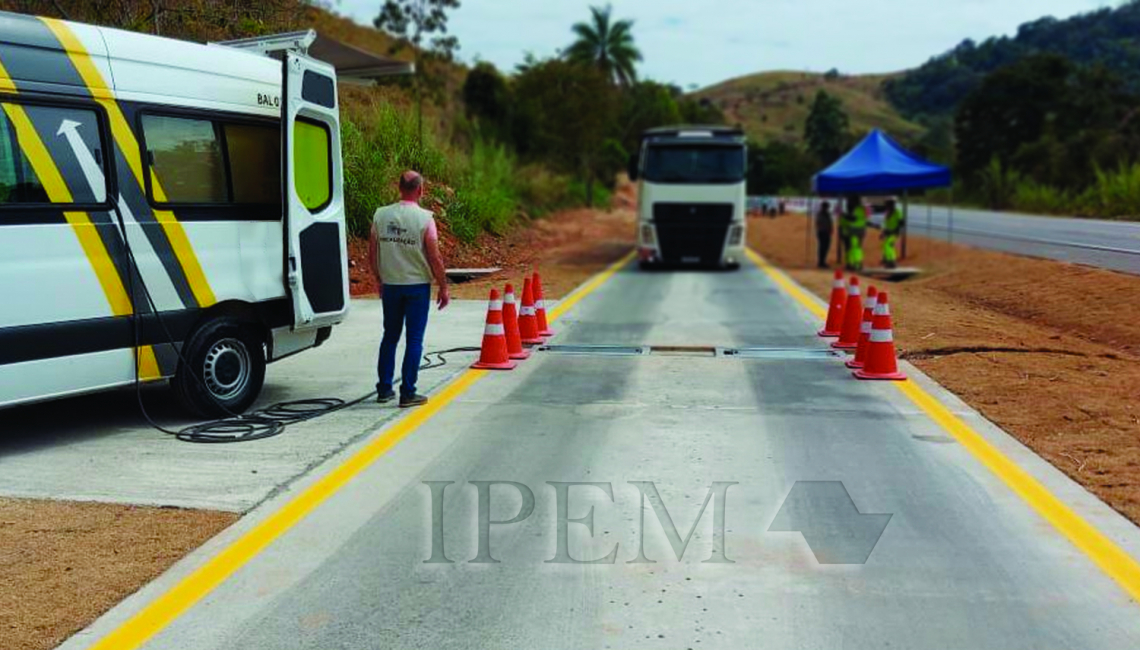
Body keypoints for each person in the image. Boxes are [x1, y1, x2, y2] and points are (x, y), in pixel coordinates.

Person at [369, 171, 450, 408]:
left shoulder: (381, 216)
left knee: (390, 337)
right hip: (416, 287)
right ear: (420, 190)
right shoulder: (425, 219)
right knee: (414, 340)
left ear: (399, 187)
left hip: (391, 285)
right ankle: (408, 392)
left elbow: (372, 253)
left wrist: (379, 278)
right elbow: (434, 256)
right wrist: (443, 286)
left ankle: (384, 389)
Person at [841, 194, 867, 271]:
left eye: (850, 201)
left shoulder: (856, 209)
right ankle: (857, 262)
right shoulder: (862, 208)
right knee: (858, 247)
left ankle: (855, 263)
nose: (848, 203)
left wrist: (844, 215)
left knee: (854, 247)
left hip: (855, 230)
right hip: (861, 230)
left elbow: (853, 219)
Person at [881, 198, 905, 269]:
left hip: (894, 232)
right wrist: (883, 232)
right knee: (886, 246)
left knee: (888, 245)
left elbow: (901, 222)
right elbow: (885, 224)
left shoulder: (897, 212)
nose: (887, 206)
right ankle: (889, 260)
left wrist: (897, 228)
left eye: (888, 204)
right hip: (888, 232)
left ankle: (892, 261)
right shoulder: (887, 213)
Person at [815, 200, 833, 268]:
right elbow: (819, 223)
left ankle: (822, 261)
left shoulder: (826, 214)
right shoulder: (821, 214)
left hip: (826, 232)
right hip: (823, 232)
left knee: (825, 247)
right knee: (822, 247)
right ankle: (821, 262)